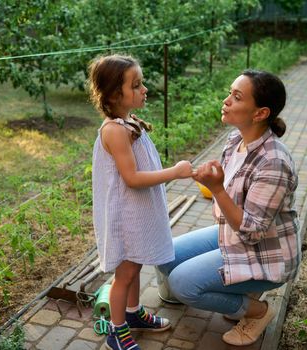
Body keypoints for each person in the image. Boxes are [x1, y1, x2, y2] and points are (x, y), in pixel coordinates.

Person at [157, 69, 300, 346]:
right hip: (231, 235)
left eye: (236, 97)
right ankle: (240, 297)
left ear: (260, 113)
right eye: (229, 93)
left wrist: (217, 189)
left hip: (267, 254)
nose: (226, 101)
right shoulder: (236, 140)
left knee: (183, 284)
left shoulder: (273, 162)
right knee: (164, 256)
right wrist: (214, 178)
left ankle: (258, 312)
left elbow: (253, 233)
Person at [88, 54, 193, 350]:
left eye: (141, 83)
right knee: (125, 274)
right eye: (136, 85)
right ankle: (116, 331)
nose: (144, 89)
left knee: (135, 268)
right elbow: (132, 178)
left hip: (138, 211)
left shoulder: (128, 121)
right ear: (113, 94)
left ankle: (132, 314)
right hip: (126, 215)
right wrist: (175, 172)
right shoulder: (114, 130)